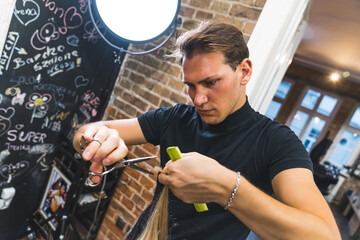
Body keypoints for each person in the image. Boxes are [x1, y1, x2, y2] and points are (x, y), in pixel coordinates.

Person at [73, 19, 341, 240]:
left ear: (244, 71)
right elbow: (84, 132)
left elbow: (324, 235)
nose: (198, 98)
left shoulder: (276, 143)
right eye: (190, 85)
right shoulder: (176, 118)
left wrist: (227, 188)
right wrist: (98, 139)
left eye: (211, 82)